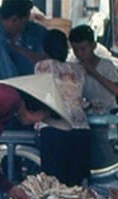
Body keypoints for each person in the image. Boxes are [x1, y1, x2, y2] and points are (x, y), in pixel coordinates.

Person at [35, 28, 91, 186]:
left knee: (55, 184)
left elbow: (40, 94)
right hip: (81, 128)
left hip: (54, 127)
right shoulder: (79, 69)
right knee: (76, 185)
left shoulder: (42, 66)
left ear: (45, 48)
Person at [68, 24, 118, 115]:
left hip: (108, 113)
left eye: (83, 49)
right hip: (87, 115)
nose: (79, 54)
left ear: (93, 46)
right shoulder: (74, 68)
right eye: (75, 50)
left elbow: (117, 91)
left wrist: (93, 72)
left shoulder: (106, 65)